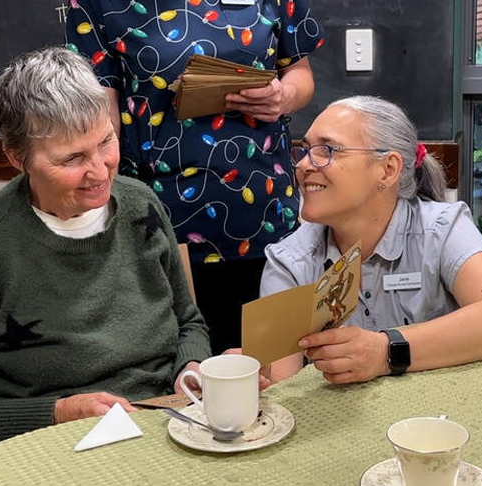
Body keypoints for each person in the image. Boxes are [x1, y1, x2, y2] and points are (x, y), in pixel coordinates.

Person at [0, 47, 211, 454]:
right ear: (17, 158)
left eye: (106, 142)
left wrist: (191, 366)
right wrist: (57, 413)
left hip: (160, 425)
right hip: (49, 446)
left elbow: (188, 322)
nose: (99, 171)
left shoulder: (141, 206)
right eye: (72, 159)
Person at [64, 0, 324, 354]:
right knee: (181, 372)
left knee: (271, 368)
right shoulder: (100, 4)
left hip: (264, 215)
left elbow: (300, 73)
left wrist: (284, 96)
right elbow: (97, 111)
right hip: (162, 222)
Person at [260, 96, 482, 383]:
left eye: (327, 150)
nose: (303, 166)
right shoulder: (289, 260)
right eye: (304, 151)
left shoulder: (443, 228)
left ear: (387, 169)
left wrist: (384, 351)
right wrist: (254, 378)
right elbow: (281, 381)